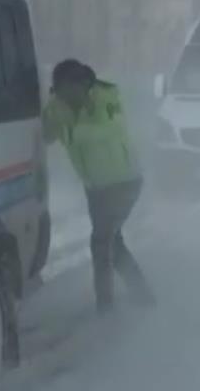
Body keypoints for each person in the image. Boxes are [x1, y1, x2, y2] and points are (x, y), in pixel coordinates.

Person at [42, 59, 154, 314]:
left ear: (83, 85)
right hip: (95, 186)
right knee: (112, 241)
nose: (64, 96)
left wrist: (68, 132)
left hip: (124, 181)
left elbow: (107, 129)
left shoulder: (106, 97)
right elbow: (46, 135)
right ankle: (142, 294)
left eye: (68, 90)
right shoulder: (58, 105)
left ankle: (106, 307)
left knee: (101, 241)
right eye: (58, 91)